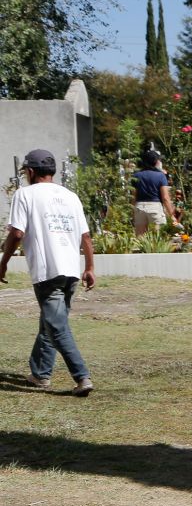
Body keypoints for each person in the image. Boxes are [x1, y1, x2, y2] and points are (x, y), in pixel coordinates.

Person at [0, 150, 96, 396]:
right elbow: (85, 236)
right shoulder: (70, 196)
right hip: (71, 271)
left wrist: (3, 262)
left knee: (56, 327)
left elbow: (17, 233)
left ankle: (82, 377)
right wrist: (89, 268)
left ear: (31, 171)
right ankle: (40, 374)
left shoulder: (25, 194)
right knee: (50, 323)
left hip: (48, 272)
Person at [131, 150, 179, 235]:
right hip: (155, 207)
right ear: (156, 161)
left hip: (139, 207)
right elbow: (165, 198)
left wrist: (133, 212)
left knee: (140, 238)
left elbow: (134, 196)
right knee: (158, 237)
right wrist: (171, 215)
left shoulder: (136, 176)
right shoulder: (161, 176)